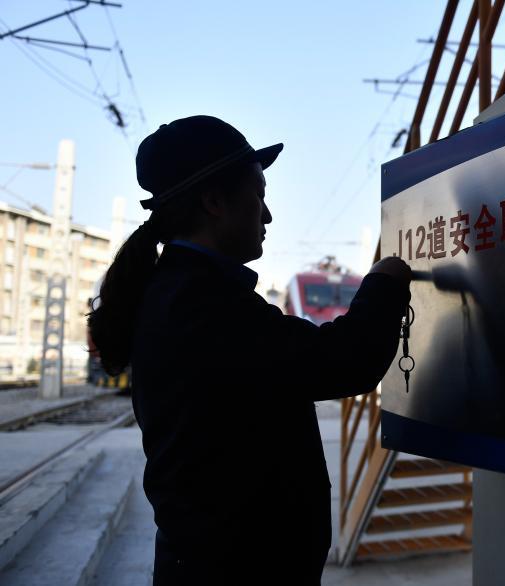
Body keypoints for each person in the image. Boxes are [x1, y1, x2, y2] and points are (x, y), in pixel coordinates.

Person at [86, 115, 411, 585]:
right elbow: (345, 361)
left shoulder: (180, 292)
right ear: (214, 201)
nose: (267, 214)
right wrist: (384, 282)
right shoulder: (203, 306)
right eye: (258, 195)